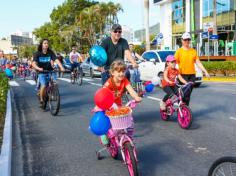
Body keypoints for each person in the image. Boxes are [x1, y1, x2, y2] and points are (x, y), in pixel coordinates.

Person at [96, 60, 142, 145]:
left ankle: (129, 138)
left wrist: (136, 97)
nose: (121, 74)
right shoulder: (109, 82)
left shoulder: (125, 81)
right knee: (109, 122)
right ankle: (104, 133)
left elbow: (131, 90)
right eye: (119, 71)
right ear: (113, 73)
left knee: (130, 121)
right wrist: (100, 105)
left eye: (123, 71)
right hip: (107, 104)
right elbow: (102, 94)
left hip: (117, 105)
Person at [174, 32, 210, 106]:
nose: (187, 41)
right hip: (182, 75)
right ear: (182, 40)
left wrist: (205, 71)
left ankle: (185, 110)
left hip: (192, 76)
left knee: (188, 94)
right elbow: (174, 63)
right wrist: (173, 73)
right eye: (185, 40)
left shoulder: (193, 51)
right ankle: (180, 109)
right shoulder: (179, 51)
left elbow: (198, 62)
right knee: (183, 93)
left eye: (188, 40)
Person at [32, 39, 64, 107]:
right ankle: (41, 99)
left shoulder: (50, 52)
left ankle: (52, 94)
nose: (46, 44)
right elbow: (33, 63)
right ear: (41, 45)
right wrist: (38, 68)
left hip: (50, 70)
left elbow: (56, 60)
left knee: (54, 83)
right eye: (45, 43)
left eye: (47, 43)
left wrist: (61, 67)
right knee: (43, 85)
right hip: (41, 72)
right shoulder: (37, 53)